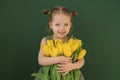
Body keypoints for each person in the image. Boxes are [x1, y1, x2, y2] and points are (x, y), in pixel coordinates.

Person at [35, 6, 85, 80]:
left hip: (70, 76)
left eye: (66, 24)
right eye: (57, 24)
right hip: (49, 76)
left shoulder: (74, 42)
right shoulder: (46, 40)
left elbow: (82, 61)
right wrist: (58, 59)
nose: (62, 28)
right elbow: (41, 60)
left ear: (70, 25)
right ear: (51, 25)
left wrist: (72, 66)